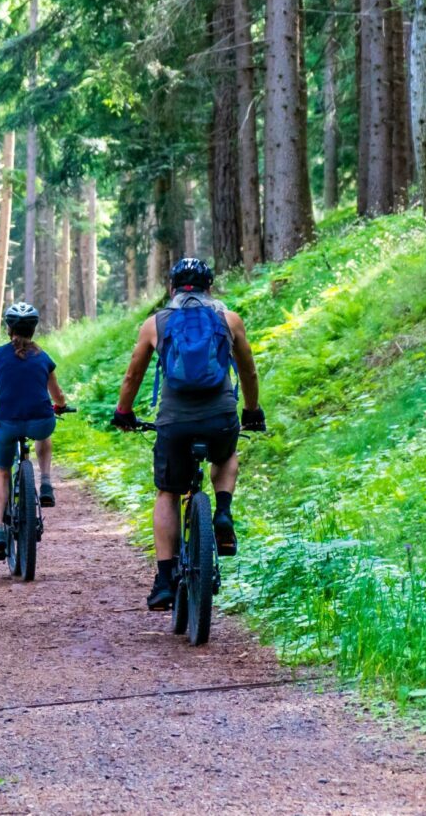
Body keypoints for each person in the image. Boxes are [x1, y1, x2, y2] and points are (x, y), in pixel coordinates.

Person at [111, 258, 266, 611]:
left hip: (175, 422)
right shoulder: (229, 320)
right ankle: (222, 511)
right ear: (210, 287)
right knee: (226, 455)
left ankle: (164, 579)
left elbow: (132, 377)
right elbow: (249, 371)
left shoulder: (156, 323)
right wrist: (252, 411)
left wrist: (123, 412)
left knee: (168, 491)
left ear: (171, 288)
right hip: (220, 416)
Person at [0, 303, 72, 561]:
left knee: (1, 472)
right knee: (44, 429)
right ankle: (45, 481)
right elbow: (56, 394)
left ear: (8, 328)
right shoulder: (43, 357)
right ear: (34, 329)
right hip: (40, 421)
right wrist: (62, 406)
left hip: (7, 423)